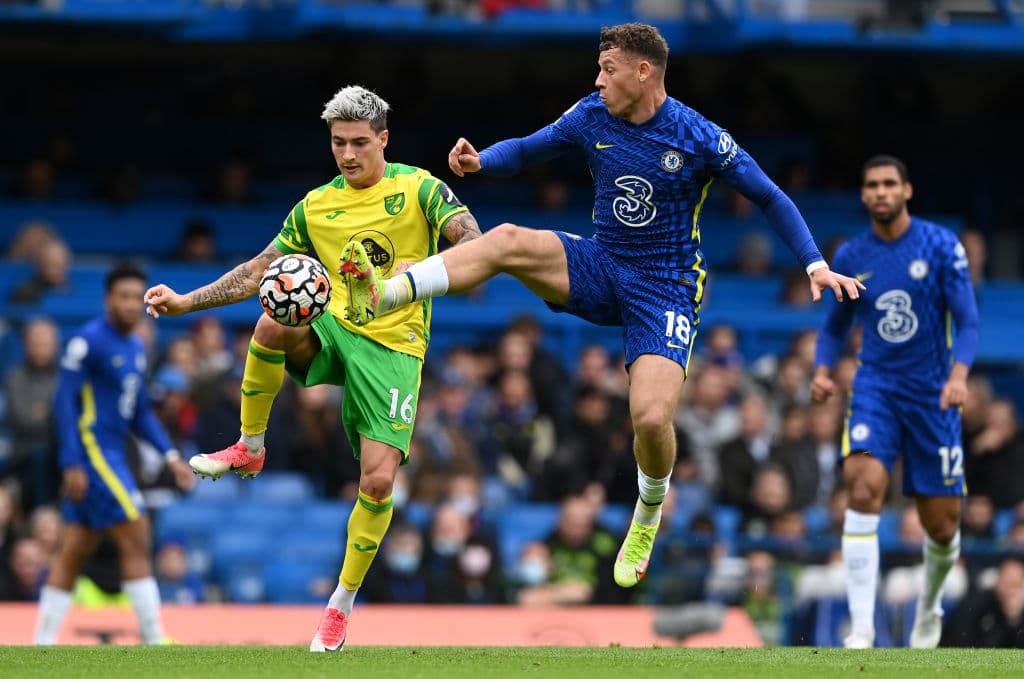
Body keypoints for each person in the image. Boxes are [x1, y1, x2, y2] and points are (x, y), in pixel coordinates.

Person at [339, 23, 863, 589]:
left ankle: (649, 507)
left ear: (643, 72)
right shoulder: (593, 114)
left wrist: (814, 263)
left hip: (665, 287)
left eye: (608, 69)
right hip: (601, 262)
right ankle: (388, 292)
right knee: (510, 238)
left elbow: (769, 195)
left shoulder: (698, 134)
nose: (598, 79)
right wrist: (481, 162)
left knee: (652, 419)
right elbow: (528, 148)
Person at [142, 85, 482, 652]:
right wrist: (185, 302)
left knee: (377, 480)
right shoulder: (316, 205)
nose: (347, 155)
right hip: (336, 326)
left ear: (383, 140)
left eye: (358, 143)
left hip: (395, 346)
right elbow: (256, 272)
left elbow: (472, 243)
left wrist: (410, 278)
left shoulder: (421, 188)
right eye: (337, 143)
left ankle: (339, 606)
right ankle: (250, 444)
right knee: (274, 312)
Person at [811, 154, 981, 649]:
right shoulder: (849, 256)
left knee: (942, 524)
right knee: (862, 487)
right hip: (876, 389)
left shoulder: (941, 246)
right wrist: (824, 369)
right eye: (871, 185)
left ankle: (929, 608)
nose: (880, 192)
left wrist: (959, 376)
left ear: (907, 191)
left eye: (889, 184)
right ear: (863, 195)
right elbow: (835, 327)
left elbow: (968, 321)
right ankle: (862, 628)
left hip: (934, 395)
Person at [33, 262, 195, 645]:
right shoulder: (87, 342)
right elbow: (63, 404)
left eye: (133, 297)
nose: (128, 305)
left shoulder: (136, 346)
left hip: (113, 453)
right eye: (121, 296)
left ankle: (41, 645)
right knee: (137, 532)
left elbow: (139, 412)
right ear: (108, 299)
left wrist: (171, 456)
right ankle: (155, 639)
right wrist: (71, 462)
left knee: (74, 548)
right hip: (93, 454)